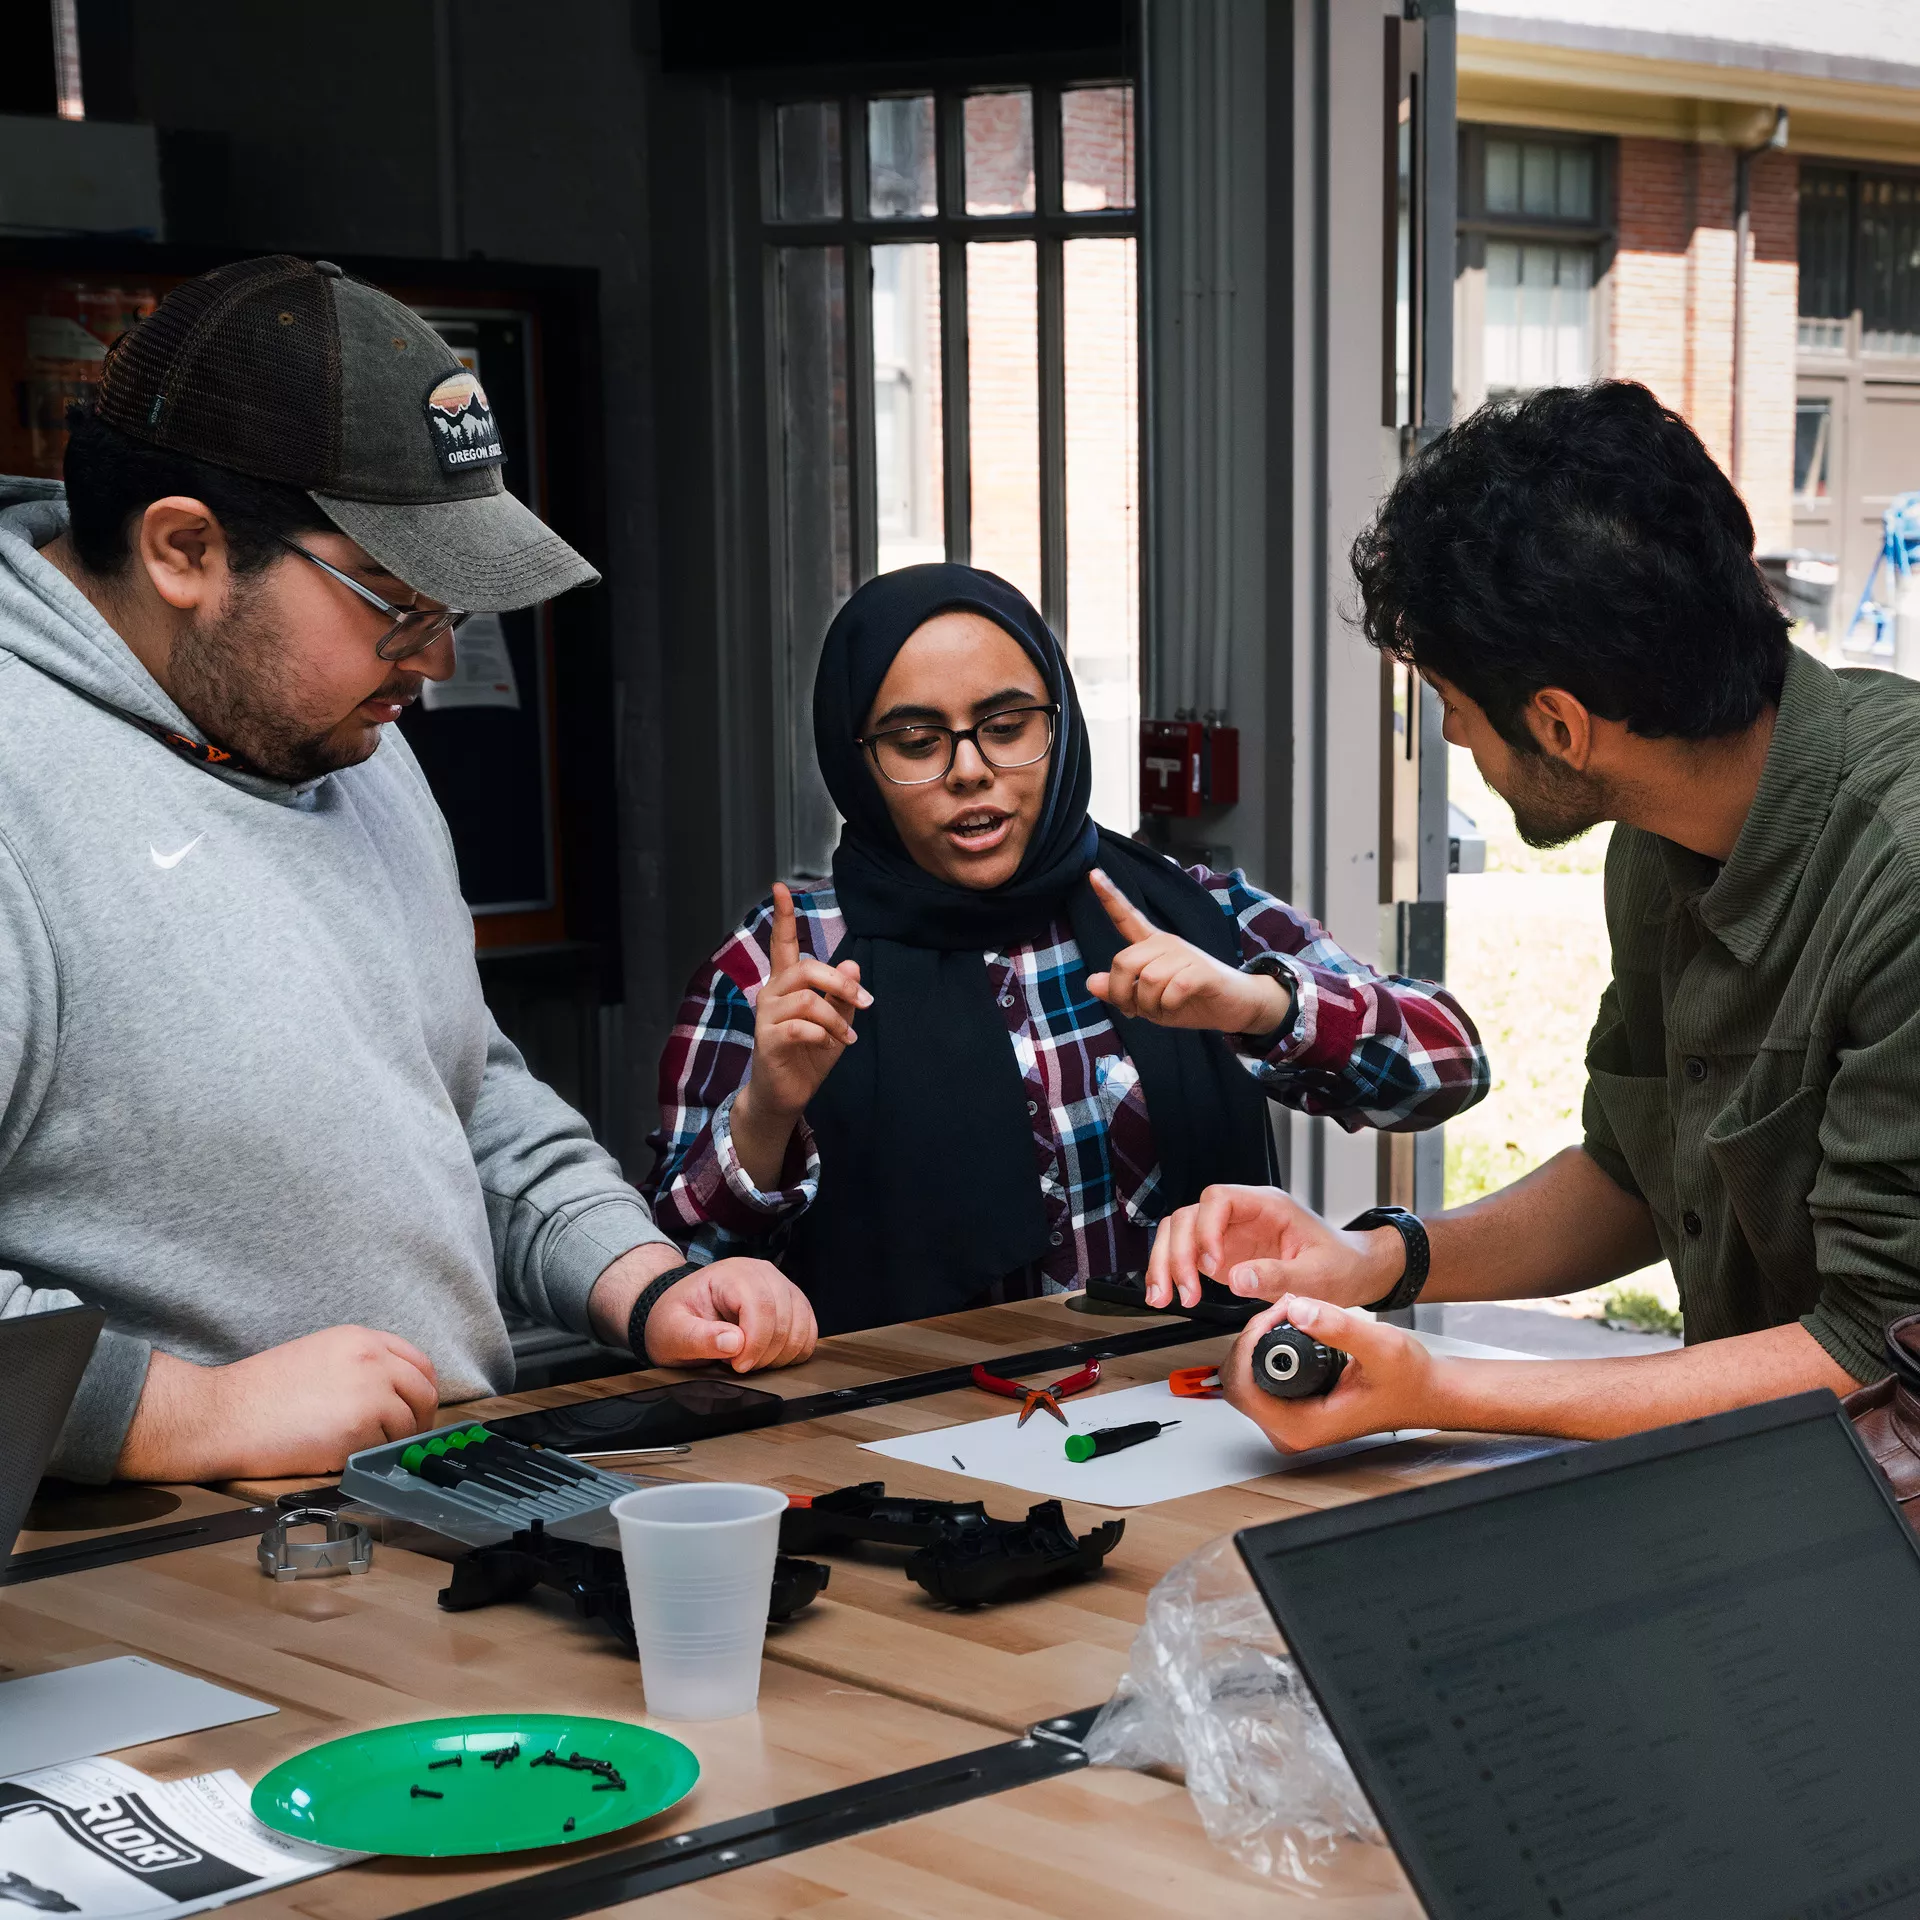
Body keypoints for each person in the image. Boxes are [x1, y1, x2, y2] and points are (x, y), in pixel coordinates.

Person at [0, 255, 816, 1486]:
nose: (435, 660)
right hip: (148, 1601)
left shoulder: (352, 742)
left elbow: (455, 1089)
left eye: (452, 610)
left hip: (434, 1512)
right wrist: (180, 1416)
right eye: (390, 599)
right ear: (184, 550)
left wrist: (640, 1280)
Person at [1151, 378, 1920, 1449]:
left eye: (1456, 713)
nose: (1457, 743)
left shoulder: (1902, 877)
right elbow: (1637, 1175)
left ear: (1559, 725)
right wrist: (1375, 1260)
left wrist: (1439, 1395)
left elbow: (1877, 1356)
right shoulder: (1666, 835)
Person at [647, 564, 1487, 1333]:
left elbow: (1449, 1068)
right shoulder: (785, 970)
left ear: (1059, 720)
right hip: (908, 1453)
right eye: (915, 742)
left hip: (1198, 1418)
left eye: (1007, 726)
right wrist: (768, 1110)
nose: (970, 770)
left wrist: (1257, 1004)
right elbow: (684, 1281)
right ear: (856, 760)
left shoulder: (1178, 916)